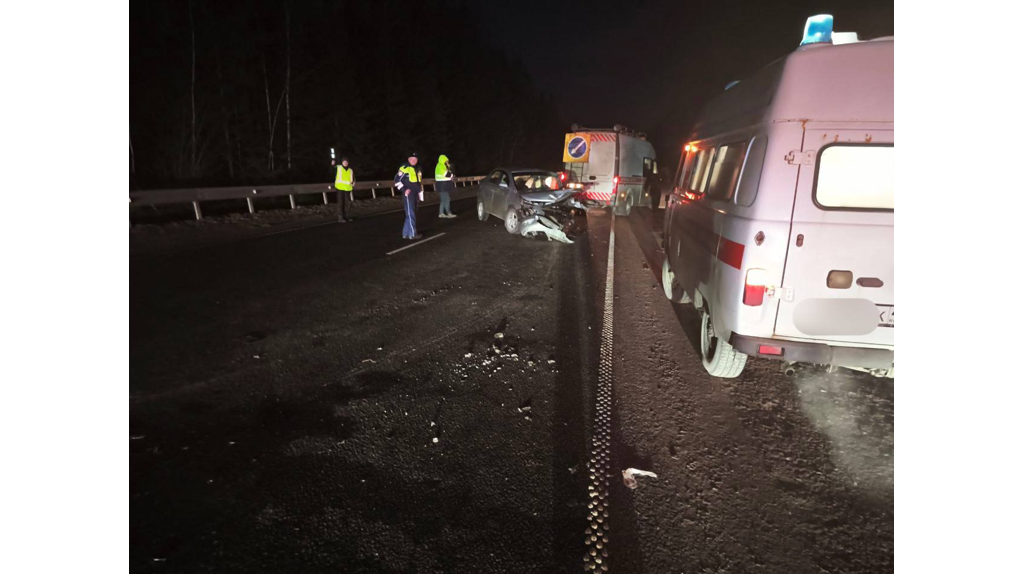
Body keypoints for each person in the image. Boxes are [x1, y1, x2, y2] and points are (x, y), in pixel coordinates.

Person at [395, 152, 423, 240]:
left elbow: (419, 183)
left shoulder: (418, 169)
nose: (413, 160)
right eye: (411, 159)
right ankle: (412, 234)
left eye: (415, 159)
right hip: (408, 194)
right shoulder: (404, 168)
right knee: (411, 214)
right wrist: (404, 190)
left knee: (411, 214)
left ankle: (405, 233)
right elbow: (396, 181)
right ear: (408, 159)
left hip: (416, 194)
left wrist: (420, 193)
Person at [334, 156, 354, 222]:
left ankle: (346, 217)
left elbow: (353, 179)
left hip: (347, 189)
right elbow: (331, 169)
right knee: (340, 203)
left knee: (346, 203)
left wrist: (352, 186)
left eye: (346, 161)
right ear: (342, 162)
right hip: (340, 188)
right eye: (344, 161)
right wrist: (332, 163)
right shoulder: (338, 168)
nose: (345, 163)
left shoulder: (350, 170)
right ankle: (340, 218)